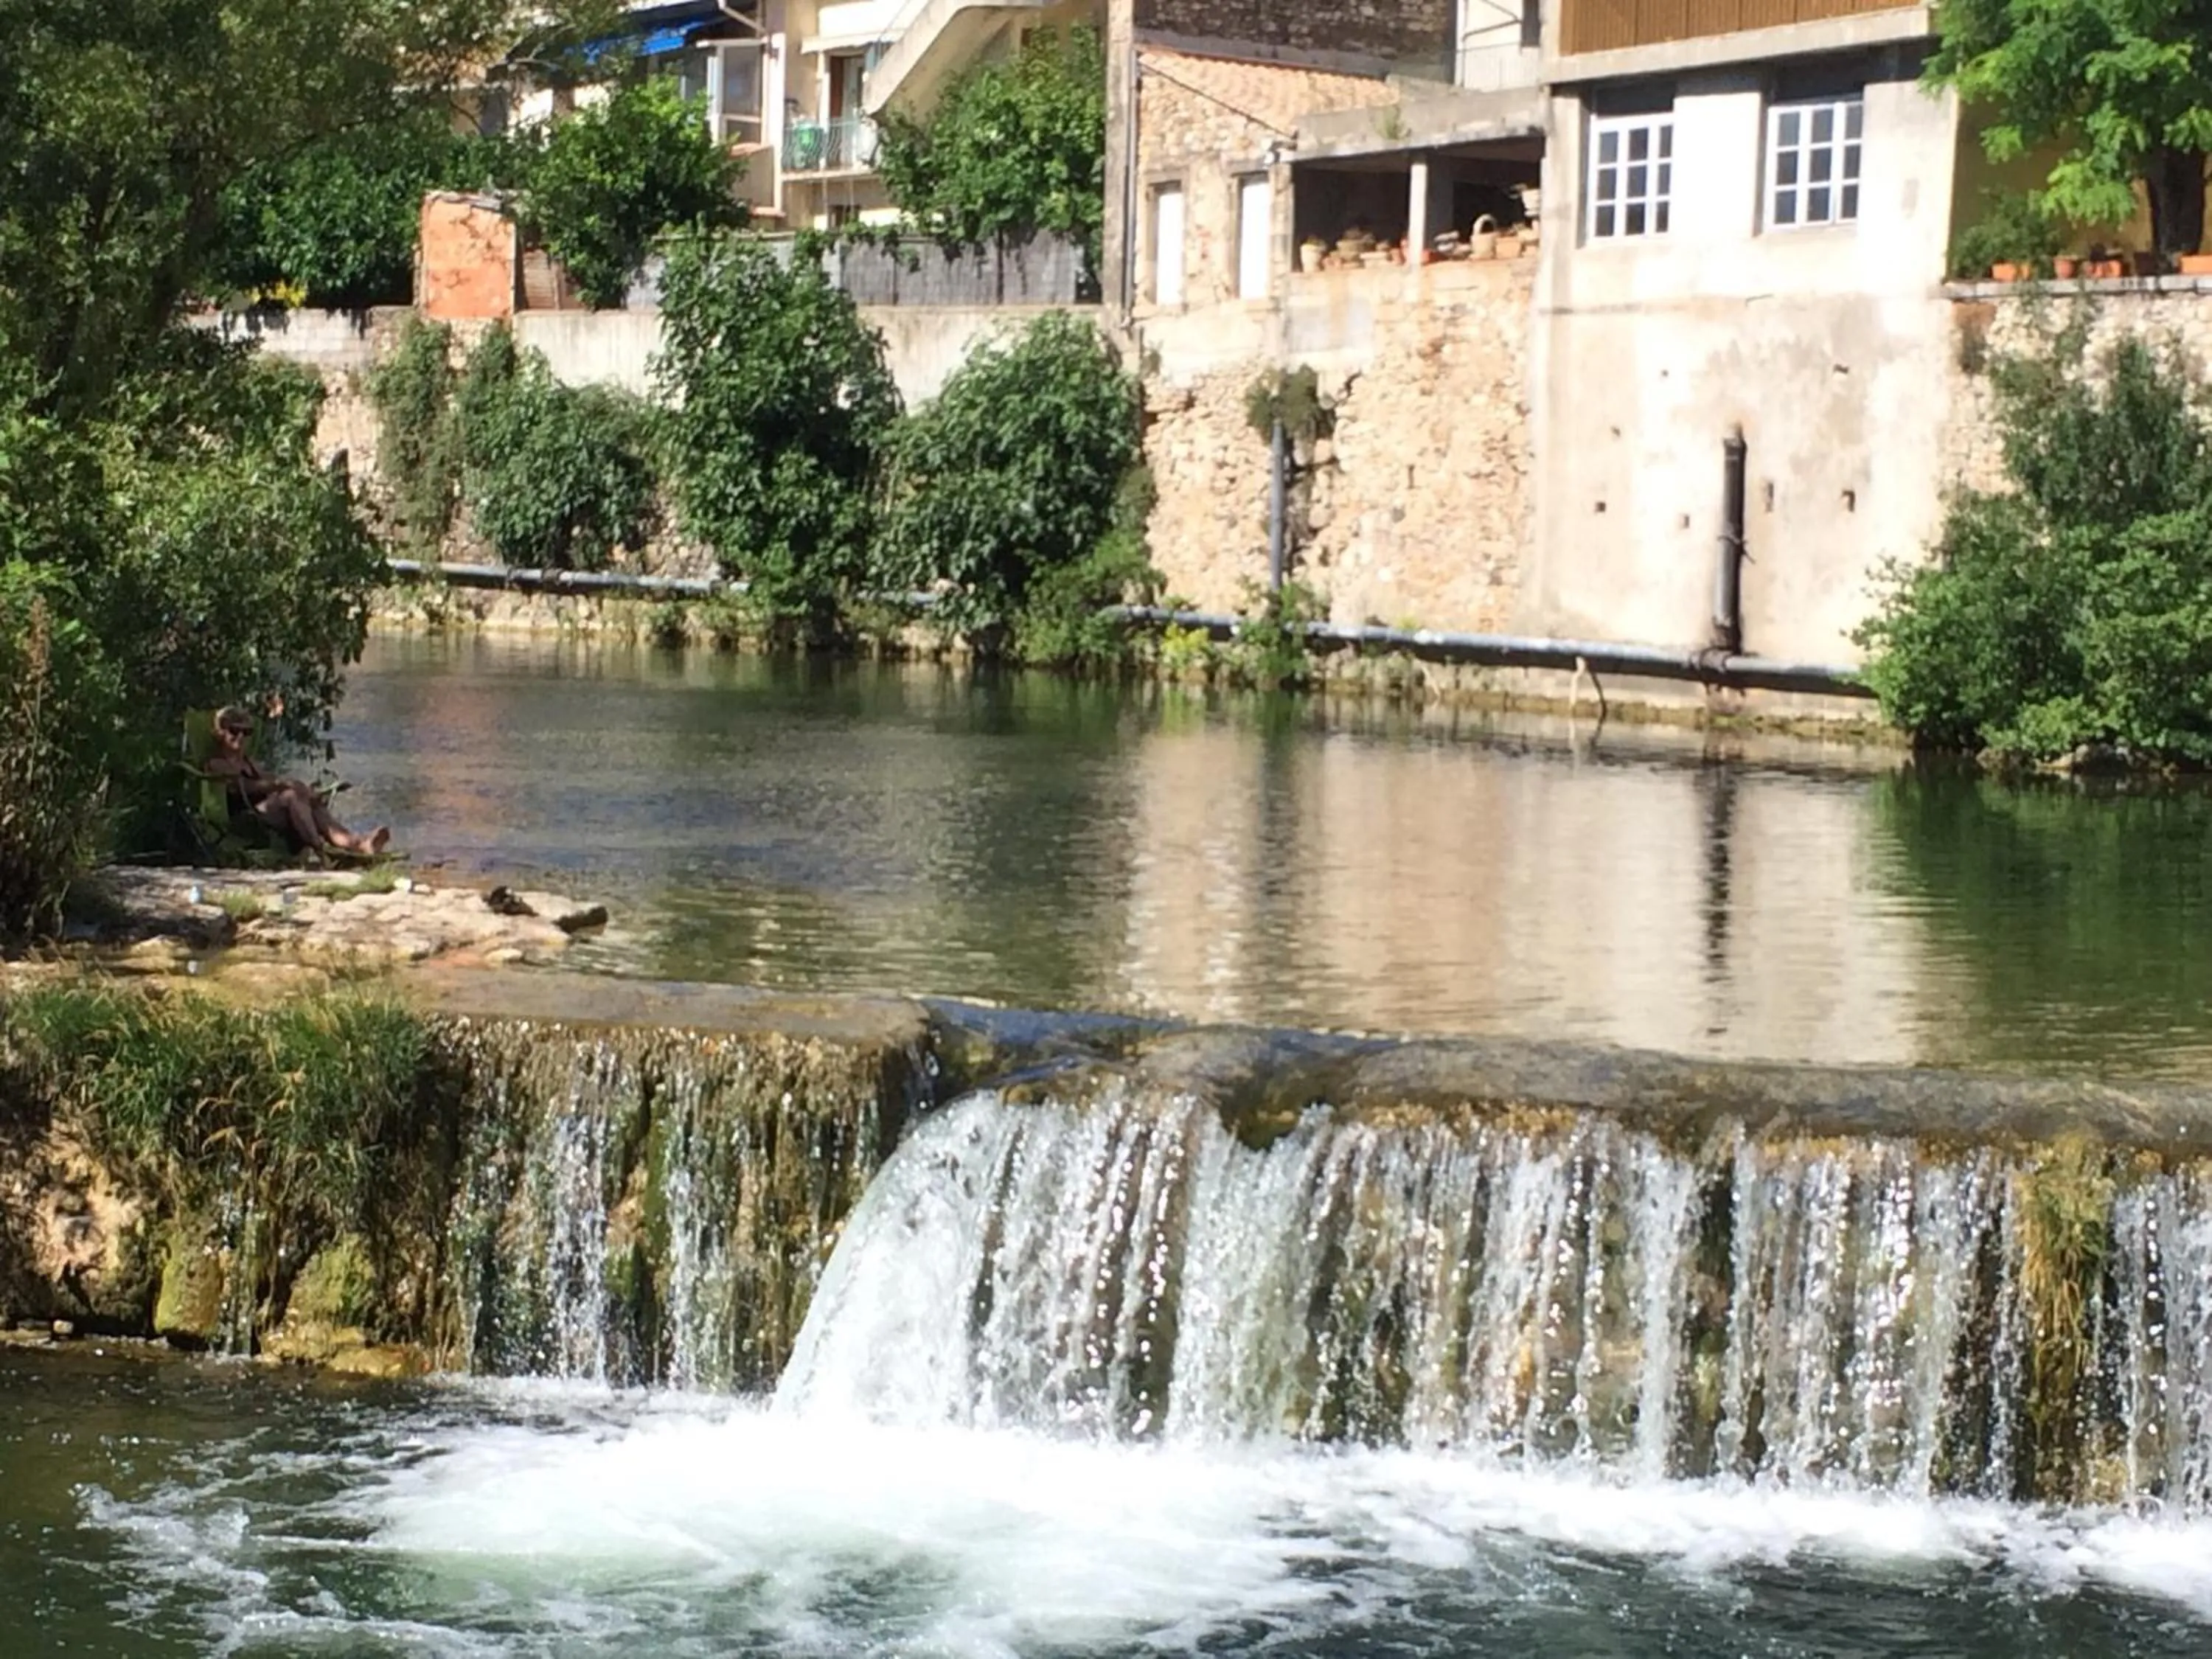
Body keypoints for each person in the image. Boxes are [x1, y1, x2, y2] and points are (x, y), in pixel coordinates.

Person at [205, 706, 391, 858]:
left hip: (266, 812)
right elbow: (244, 787)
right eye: (235, 731)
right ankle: (321, 851)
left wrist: (305, 792)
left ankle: (356, 843)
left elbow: (270, 780)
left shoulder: (249, 763)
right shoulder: (217, 764)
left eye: (247, 732)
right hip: (245, 818)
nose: (241, 737)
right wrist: (283, 785)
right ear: (220, 732)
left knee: (309, 802)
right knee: (291, 796)